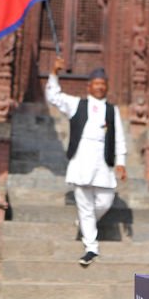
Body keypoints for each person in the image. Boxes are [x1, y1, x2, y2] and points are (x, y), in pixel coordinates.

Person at [46, 57, 127, 266]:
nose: (100, 87)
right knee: (84, 205)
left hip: (103, 162)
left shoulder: (112, 110)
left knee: (105, 201)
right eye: (96, 84)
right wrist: (54, 73)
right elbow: (53, 96)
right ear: (89, 86)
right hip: (81, 161)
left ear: (106, 87)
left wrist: (121, 161)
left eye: (103, 84)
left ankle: (84, 222)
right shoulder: (76, 104)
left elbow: (119, 137)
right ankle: (91, 247)